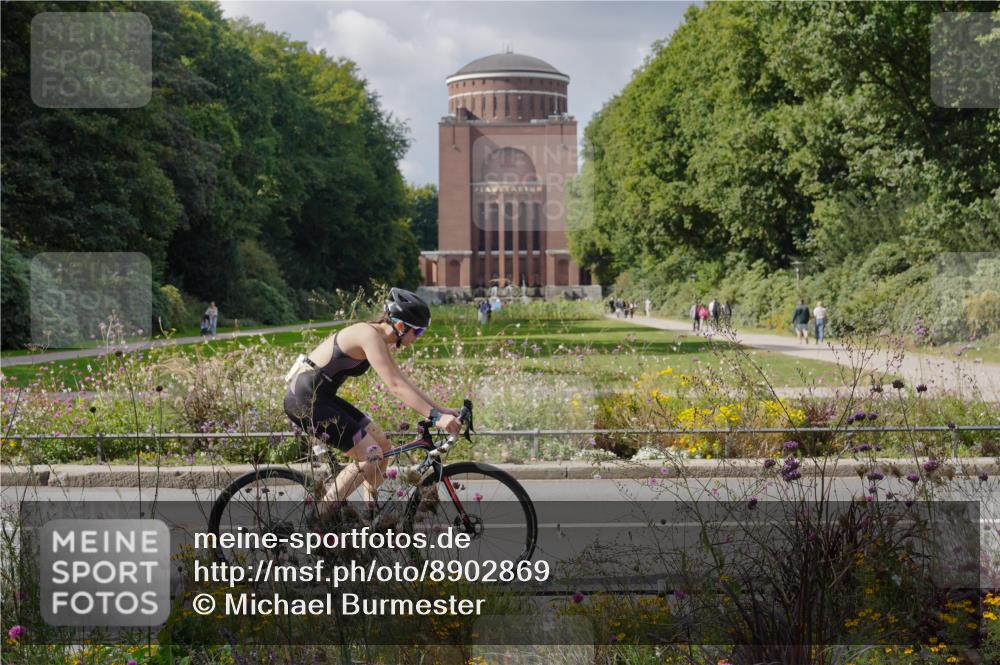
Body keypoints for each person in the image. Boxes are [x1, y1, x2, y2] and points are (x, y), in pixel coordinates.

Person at [283, 288, 462, 518]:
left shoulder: (377, 337)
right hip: (305, 401)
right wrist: (436, 419)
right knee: (371, 454)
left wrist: (441, 411)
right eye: (417, 331)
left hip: (322, 398)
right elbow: (395, 386)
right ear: (400, 326)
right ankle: (318, 519)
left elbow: (403, 381)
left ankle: (372, 515)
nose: (418, 337)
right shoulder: (368, 335)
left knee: (383, 448)